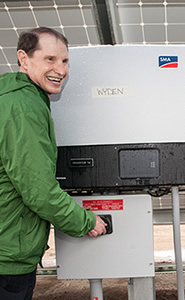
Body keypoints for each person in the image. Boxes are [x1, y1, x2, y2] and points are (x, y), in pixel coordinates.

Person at [0, 27, 107, 300]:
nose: (60, 69)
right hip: (7, 255)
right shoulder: (22, 106)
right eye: (50, 59)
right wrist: (85, 221)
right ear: (24, 59)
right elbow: (38, 189)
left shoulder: (17, 99)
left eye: (64, 61)